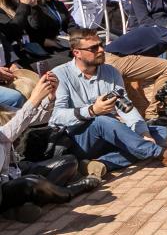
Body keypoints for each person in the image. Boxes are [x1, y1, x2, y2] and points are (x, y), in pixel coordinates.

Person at [49, 29, 167, 177]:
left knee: (160, 131)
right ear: (76, 53)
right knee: (102, 121)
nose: (101, 50)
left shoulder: (111, 72)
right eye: (93, 48)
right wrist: (92, 110)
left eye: (101, 45)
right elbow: (55, 117)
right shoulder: (60, 74)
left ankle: (102, 163)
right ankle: (160, 153)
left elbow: (126, 107)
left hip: (110, 132)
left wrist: (143, 133)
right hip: (79, 140)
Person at [1, 70, 101, 223]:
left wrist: (49, 97)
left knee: (68, 162)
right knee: (32, 182)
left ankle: (27, 203)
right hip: (3, 187)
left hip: (15, 169)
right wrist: (34, 99)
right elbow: (7, 135)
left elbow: (37, 118)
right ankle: (70, 191)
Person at [26, 0, 75, 69]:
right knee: (73, 62)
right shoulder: (34, 6)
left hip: (63, 42)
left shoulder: (58, 4)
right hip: (46, 49)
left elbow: (71, 24)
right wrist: (34, 7)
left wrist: (77, 37)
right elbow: (34, 29)